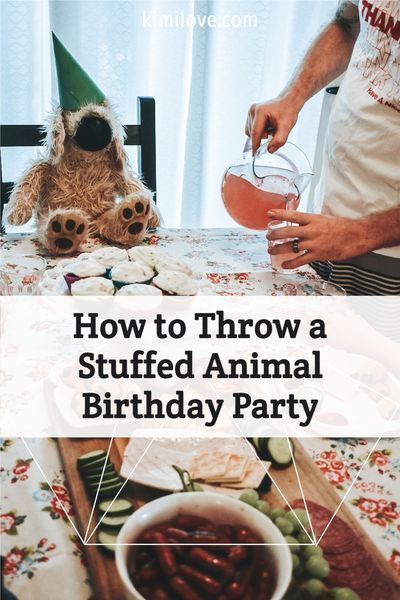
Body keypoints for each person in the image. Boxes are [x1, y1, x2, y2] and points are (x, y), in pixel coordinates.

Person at [246, 0, 400, 295]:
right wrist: (291, 98)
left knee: (374, 342)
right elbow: (348, 24)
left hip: (388, 257)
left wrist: (361, 233)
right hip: (328, 227)